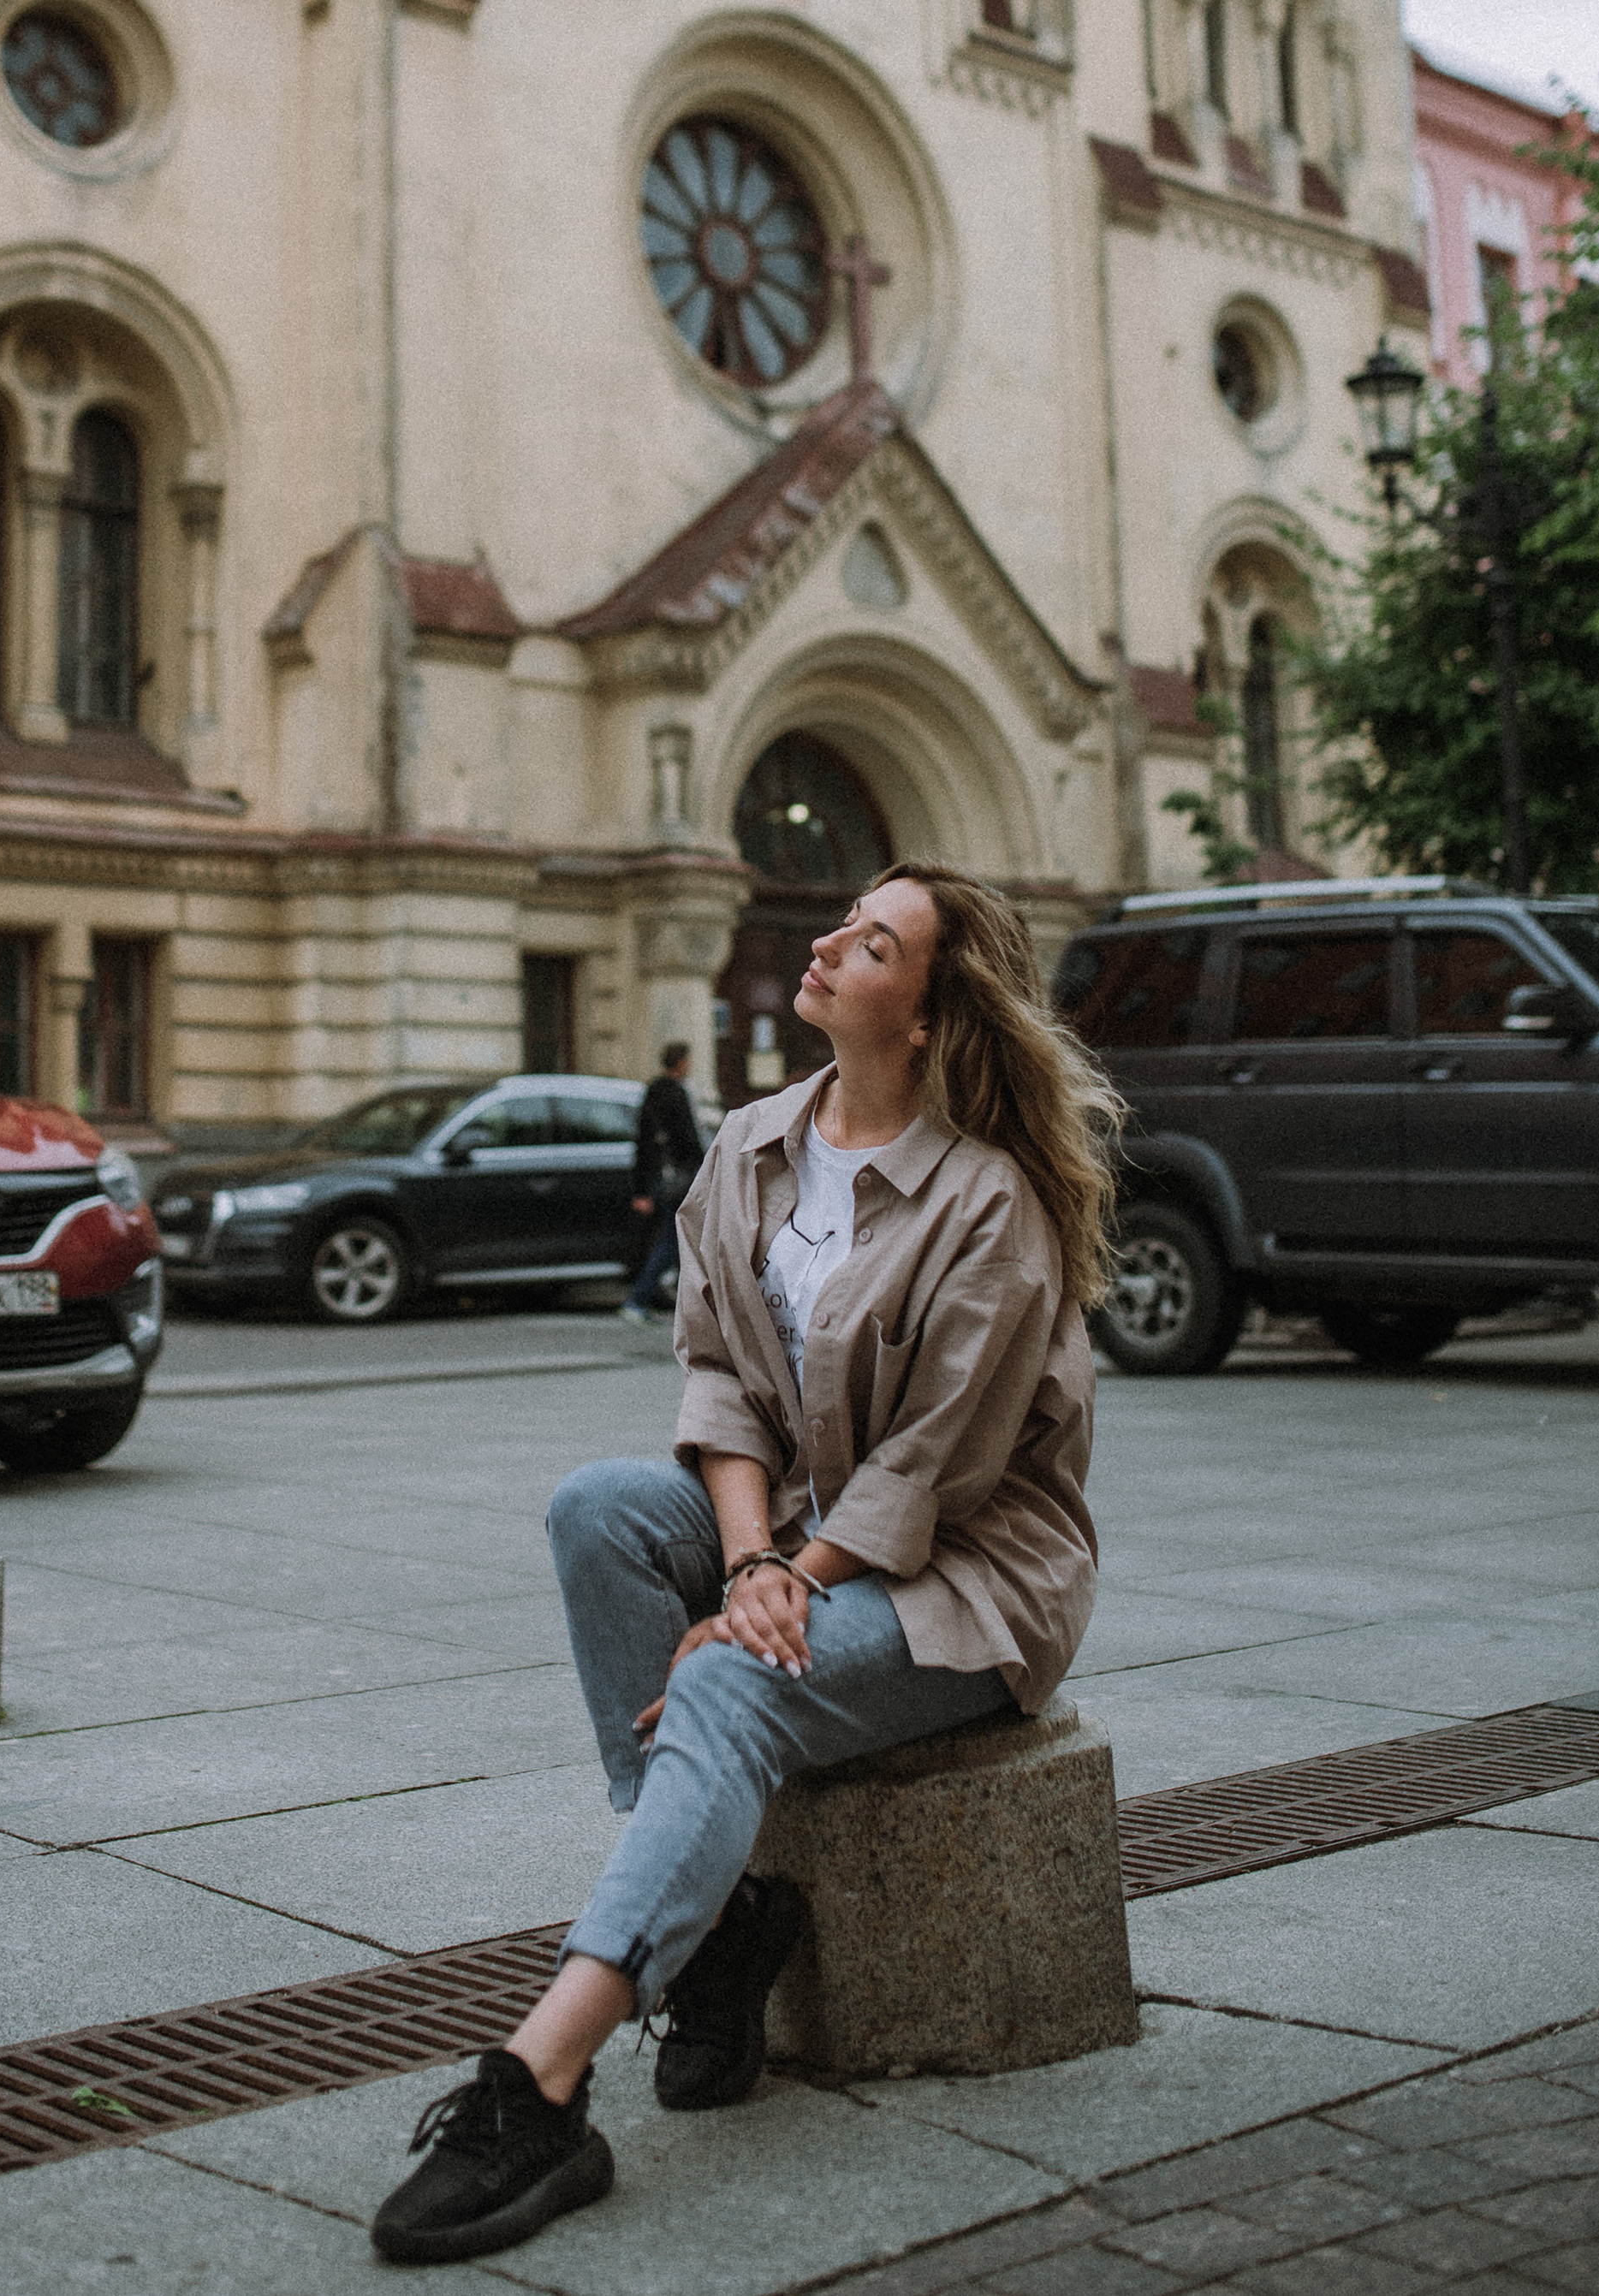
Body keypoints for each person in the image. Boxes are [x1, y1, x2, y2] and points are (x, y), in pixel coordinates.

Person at [371, 861, 1122, 2268]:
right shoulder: (758, 1141)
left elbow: (935, 1473)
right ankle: (721, 1934)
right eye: (844, 920)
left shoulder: (990, 1203)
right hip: (794, 1523)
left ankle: (537, 2086)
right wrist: (751, 1563)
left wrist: (781, 1587)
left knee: (727, 1693)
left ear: (928, 1010)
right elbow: (718, 1377)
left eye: (876, 941)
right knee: (596, 1510)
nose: (831, 945)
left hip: (963, 1575)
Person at [622, 1040, 704, 1320]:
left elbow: (643, 1143)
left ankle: (693, 1308)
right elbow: (689, 1140)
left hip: (658, 1178)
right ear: (681, 1062)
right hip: (678, 1180)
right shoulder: (678, 1094)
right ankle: (637, 1300)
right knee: (673, 1240)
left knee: (681, 1241)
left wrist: (641, 1189)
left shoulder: (652, 1092)